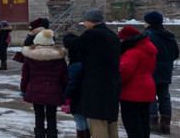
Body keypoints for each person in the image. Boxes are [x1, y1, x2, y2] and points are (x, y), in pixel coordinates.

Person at [66, 8, 121, 138]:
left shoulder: (92, 34)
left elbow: (73, 44)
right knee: (110, 121)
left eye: (85, 21)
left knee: (97, 120)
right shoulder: (112, 35)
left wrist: (68, 36)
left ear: (91, 21)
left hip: (96, 84)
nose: (84, 24)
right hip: (112, 82)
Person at [20, 29, 68, 138]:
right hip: (54, 90)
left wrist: (23, 89)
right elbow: (64, 76)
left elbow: (25, 76)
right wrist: (65, 91)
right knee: (52, 115)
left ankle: (39, 134)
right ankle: (52, 134)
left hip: (35, 90)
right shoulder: (59, 57)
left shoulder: (30, 56)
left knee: (39, 115)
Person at [144, 11, 179, 135]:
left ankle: (152, 123)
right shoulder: (169, 36)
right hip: (165, 71)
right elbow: (176, 53)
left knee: (151, 97)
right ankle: (165, 125)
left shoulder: (148, 35)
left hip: (151, 70)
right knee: (164, 96)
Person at [118, 26, 157, 138]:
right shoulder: (148, 49)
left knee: (132, 123)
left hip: (132, 92)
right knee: (144, 120)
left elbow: (124, 72)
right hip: (147, 89)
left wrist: (115, 82)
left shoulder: (132, 52)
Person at [62, 33, 90, 138]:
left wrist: (67, 98)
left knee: (79, 119)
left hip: (77, 97)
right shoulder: (86, 60)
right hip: (86, 94)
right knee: (84, 118)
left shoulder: (75, 65)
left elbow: (72, 84)